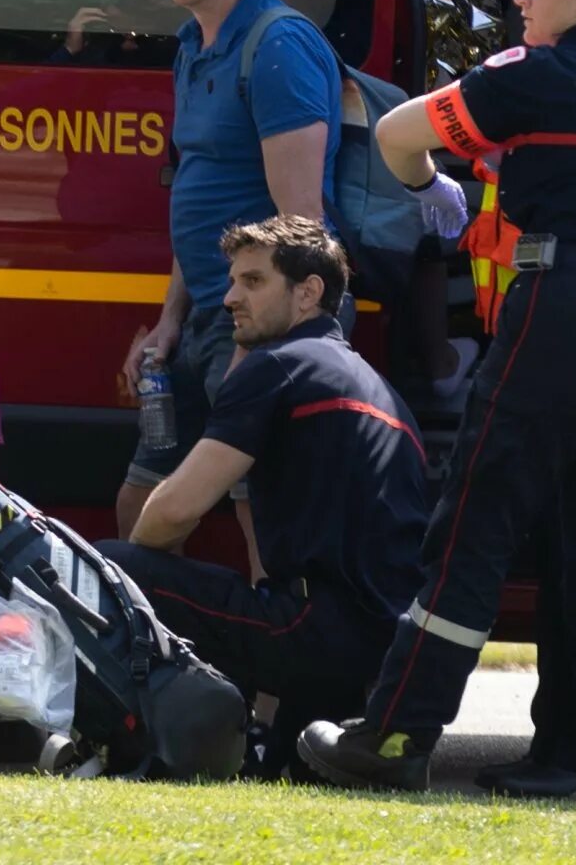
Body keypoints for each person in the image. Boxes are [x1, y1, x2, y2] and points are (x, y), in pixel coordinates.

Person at [298, 0, 576, 804]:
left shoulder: (541, 72)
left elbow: (400, 135)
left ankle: (395, 733)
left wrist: (432, 192)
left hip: (571, 311)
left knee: (470, 529)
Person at [99, 215, 428, 757]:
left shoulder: (277, 366)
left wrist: (138, 588)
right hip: (384, 646)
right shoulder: (377, 386)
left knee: (116, 567)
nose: (230, 298)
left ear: (309, 293)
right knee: (289, 768)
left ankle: (135, 741)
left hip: (315, 628)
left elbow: (173, 513)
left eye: (252, 282)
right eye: (232, 282)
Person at [116, 0, 344, 551]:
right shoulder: (195, 45)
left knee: (260, 513)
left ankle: (270, 651)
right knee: (140, 505)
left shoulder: (276, 46)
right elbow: (202, 198)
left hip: (261, 323)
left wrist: (264, 350)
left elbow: (302, 229)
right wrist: (168, 322)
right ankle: (148, 654)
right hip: (209, 318)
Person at [460, 0, 576, 798]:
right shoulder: (529, 62)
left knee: (565, 558)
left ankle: (567, 747)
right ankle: (567, 744)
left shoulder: (575, 72)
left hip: (560, 350)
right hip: (514, 339)